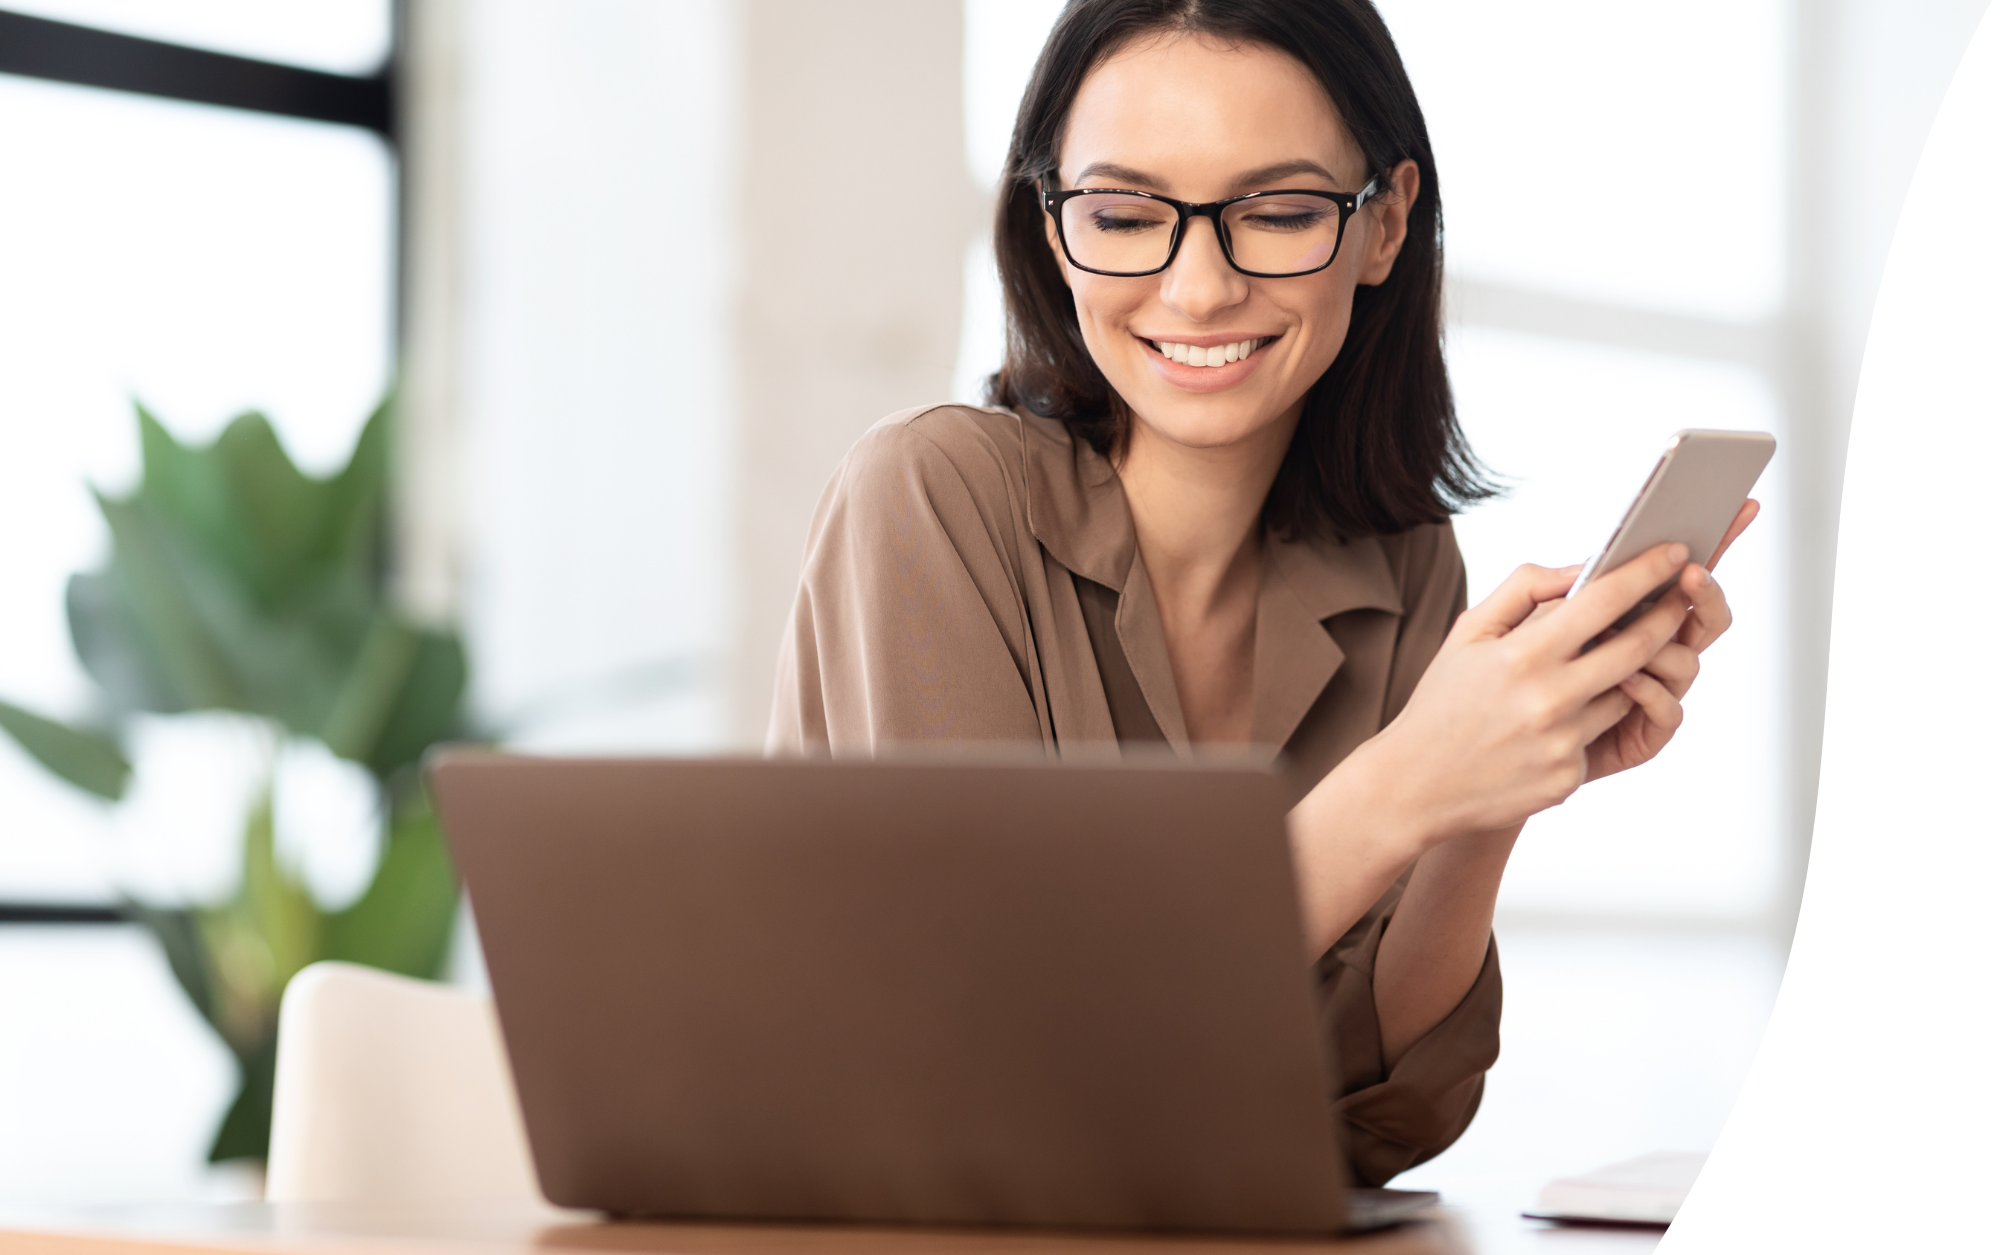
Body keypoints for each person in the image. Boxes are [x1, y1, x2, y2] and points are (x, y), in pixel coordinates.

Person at [768, 0, 1755, 1187]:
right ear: (1050, 228)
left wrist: (1490, 793)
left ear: (1382, 223)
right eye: (1122, 217)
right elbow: (1002, 1071)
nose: (1196, 289)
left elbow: (1373, 1119)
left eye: (1278, 214)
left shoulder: (1396, 562)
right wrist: (1405, 781)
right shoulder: (928, 496)